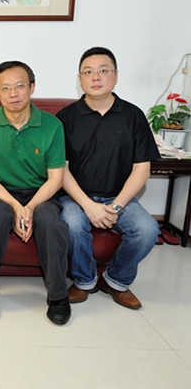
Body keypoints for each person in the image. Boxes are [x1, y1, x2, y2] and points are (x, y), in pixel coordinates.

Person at [57, 47, 160, 310]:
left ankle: (115, 280)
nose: (96, 77)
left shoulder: (133, 115)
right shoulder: (66, 118)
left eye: (103, 70)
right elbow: (61, 170)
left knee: (147, 229)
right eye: (88, 72)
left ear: (115, 76)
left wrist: (116, 206)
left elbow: (142, 169)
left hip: (118, 196)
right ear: (80, 79)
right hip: (75, 197)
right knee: (71, 222)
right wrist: (88, 206)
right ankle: (84, 281)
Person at [0, 60, 71, 325]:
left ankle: (58, 295)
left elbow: (56, 179)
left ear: (32, 87)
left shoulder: (52, 125)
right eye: (5, 88)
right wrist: (17, 206)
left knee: (49, 219)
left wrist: (30, 207)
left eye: (19, 86)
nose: (13, 94)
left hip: (40, 191)